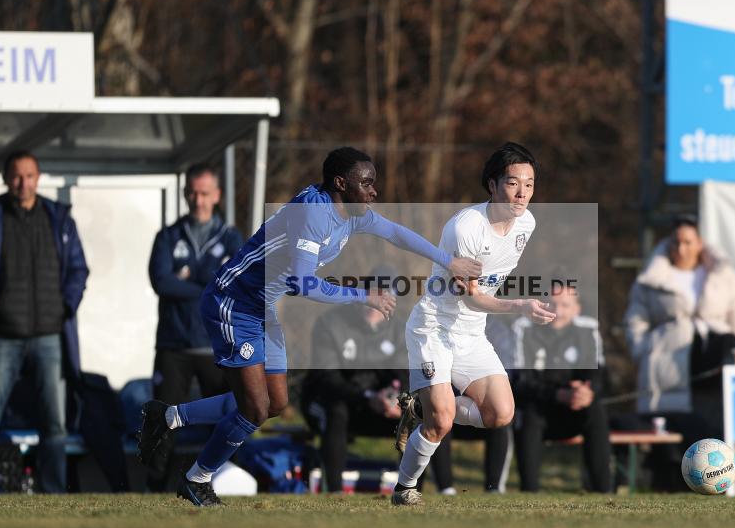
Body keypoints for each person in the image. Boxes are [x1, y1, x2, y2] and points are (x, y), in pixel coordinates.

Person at [137, 147, 481, 506]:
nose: (374, 191)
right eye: (366, 183)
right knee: (253, 408)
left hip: (261, 307)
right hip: (232, 302)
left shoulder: (352, 212)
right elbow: (303, 283)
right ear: (340, 183)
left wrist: (448, 260)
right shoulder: (312, 214)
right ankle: (197, 479)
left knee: (275, 403)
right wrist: (363, 296)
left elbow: (395, 233)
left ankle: (169, 416)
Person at [391, 142, 556, 505]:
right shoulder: (466, 227)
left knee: (500, 414)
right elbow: (471, 296)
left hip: (470, 334)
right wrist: (520, 306)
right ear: (492, 185)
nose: (522, 193)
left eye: (529, 184)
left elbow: (487, 288)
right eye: (513, 183)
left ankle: (420, 409)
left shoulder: (527, 223)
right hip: (433, 327)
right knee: (443, 421)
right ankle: (404, 489)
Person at [0, 150, 89, 493]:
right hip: (3, 335)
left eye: (29, 176)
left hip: (49, 336)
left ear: (39, 177)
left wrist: (66, 305)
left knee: (55, 426)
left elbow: (78, 269)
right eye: (16, 176)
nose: (22, 183)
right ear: (5, 179)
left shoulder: (58, 218)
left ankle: (54, 491)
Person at [301, 271, 458, 494]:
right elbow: (327, 379)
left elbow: (407, 375)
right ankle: (333, 492)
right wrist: (367, 397)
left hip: (380, 405)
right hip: (333, 401)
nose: (375, 305)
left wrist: (396, 399)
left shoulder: (401, 330)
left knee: (425, 410)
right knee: (336, 411)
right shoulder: (331, 323)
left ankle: (417, 490)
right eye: (372, 295)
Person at [624, 216, 735, 490]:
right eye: (676, 242)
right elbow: (635, 319)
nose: (681, 249)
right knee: (672, 436)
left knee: (713, 426)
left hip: (713, 365)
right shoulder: (652, 277)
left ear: (700, 243)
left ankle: (717, 482)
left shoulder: (722, 273)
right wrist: (645, 351)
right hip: (669, 366)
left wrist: (733, 344)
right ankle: (670, 485)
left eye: (688, 242)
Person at [144, 163, 244, 491]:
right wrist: (207, 284)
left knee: (232, 415)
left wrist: (185, 276)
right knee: (163, 420)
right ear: (186, 194)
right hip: (174, 346)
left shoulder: (231, 238)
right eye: (193, 193)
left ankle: (219, 482)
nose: (198, 200)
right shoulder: (168, 236)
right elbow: (162, 282)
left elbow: (232, 285)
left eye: (204, 193)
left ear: (216, 196)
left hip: (217, 346)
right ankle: (154, 487)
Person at [512, 282, 612, 493]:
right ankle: (529, 492)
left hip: (574, 412)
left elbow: (598, 376)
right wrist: (558, 394)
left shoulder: (588, 331)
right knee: (529, 413)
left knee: (596, 410)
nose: (558, 311)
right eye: (553, 304)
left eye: (565, 305)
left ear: (577, 308)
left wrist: (586, 392)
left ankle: (603, 492)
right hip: (540, 413)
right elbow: (521, 382)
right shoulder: (524, 329)